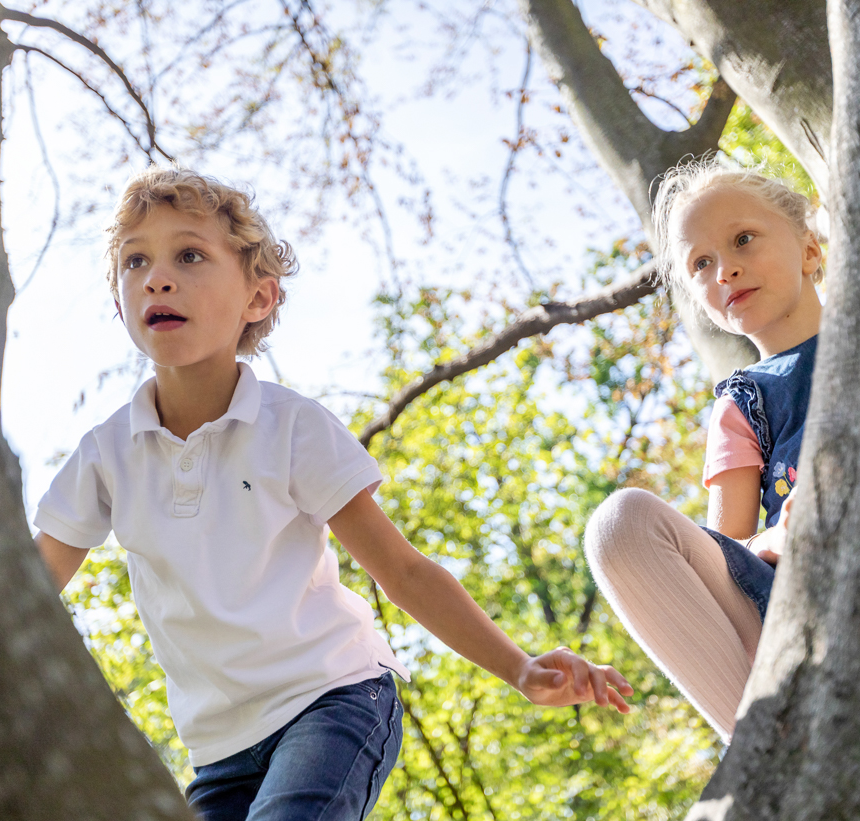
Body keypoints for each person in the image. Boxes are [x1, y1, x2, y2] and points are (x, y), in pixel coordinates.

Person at [33, 167, 633, 821]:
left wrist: (518, 666)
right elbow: (26, 589)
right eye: (135, 261)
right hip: (218, 749)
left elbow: (403, 570)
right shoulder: (104, 455)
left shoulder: (290, 427)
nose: (157, 276)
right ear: (120, 304)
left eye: (190, 254)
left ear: (259, 299)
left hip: (334, 697)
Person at [584, 158, 824, 742]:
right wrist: (771, 541)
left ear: (811, 250)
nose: (726, 269)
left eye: (743, 239)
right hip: (790, 604)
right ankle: (762, 750)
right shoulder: (743, 406)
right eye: (701, 263)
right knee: (621, 523)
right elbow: (727, 550)